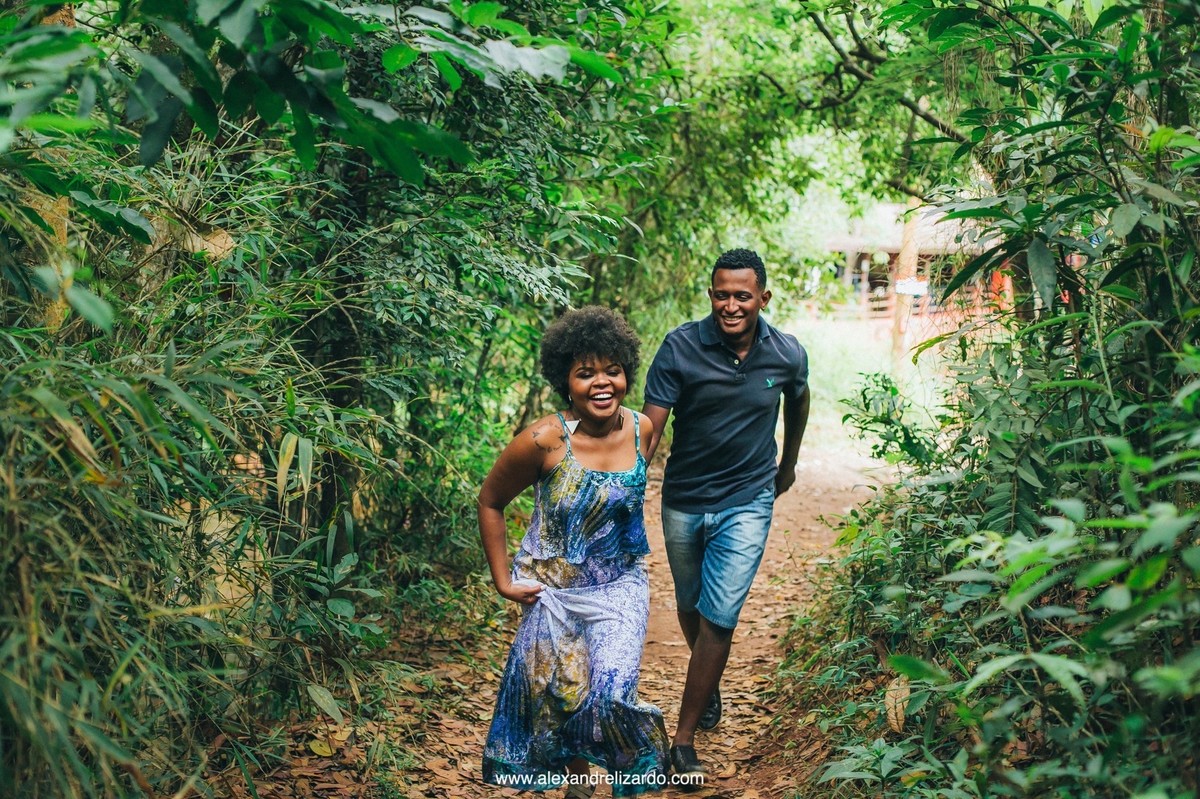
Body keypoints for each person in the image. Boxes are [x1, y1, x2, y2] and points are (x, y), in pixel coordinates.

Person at [480, 306, 670, 797]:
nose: (602, 382)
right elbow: (491, 501)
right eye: (586, 373)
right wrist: (504, 579)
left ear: (627, 372)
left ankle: (628, 775)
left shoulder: (643, 430)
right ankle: (579, 784)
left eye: (612, 369)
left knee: (611, 693)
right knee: (561, 697)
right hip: (554, 592)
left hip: (620, 587)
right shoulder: (544, 441)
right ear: (566, 381)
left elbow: (620, 506)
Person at [640, 248, 810, 777]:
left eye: (742, 295)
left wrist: (789, 464)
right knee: (690, 603)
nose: (730, 305)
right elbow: (651, 427)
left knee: (720, 614)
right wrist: (628, 484)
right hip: (685, 498)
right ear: (710, 293)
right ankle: (706, 682)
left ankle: (684, 738)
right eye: (721, 294)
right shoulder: (680, 347)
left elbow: (799, 401)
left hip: (749, 497)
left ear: (763, 297)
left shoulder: (786, 353)